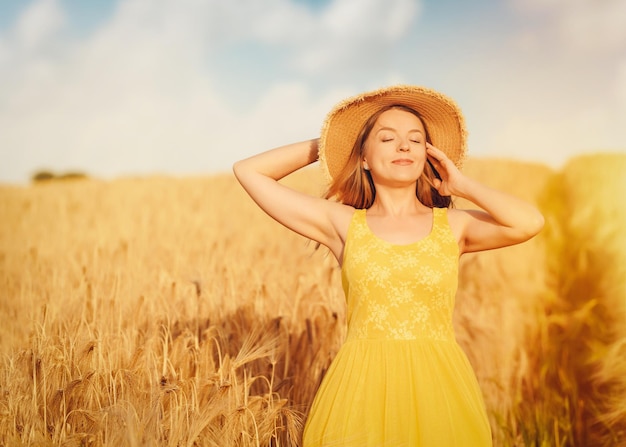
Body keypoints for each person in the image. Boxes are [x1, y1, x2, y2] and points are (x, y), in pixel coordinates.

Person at [233, 85, 544, 446]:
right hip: (358, 390)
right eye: (387, 138)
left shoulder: (455, 226)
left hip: (440, 391)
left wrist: (461, 184)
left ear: (427, 155)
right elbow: (249, 172)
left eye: (415, 140)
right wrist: (331, 142)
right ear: (363, 156)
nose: (403, 146)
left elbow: (529, 222)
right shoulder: (344, 224)